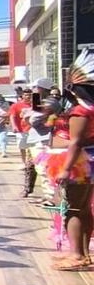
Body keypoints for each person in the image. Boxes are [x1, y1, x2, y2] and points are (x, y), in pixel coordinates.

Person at [40, 51, 94, 271]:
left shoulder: (81, 111)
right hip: (89, 162)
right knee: (83, 209)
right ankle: (83, 254)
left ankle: (76, 255)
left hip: (81, 165)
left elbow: (75, 143)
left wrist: (65, 169)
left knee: (73, 210)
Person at [8, 90, 35, 196]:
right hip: (21, 130)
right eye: (26, 95)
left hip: (33, 130)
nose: (28, 97)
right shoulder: (16, 105)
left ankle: (30, 163)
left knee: (31, 148)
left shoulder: (35, 105)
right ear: (22, 96)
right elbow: (12, 116)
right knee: (23, 147)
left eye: (30, 95)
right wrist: (14, 126)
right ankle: (25, 163)